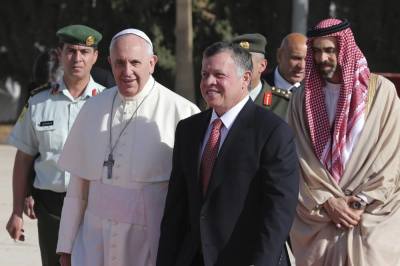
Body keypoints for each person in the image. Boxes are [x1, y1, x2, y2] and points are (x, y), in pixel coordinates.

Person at [55, 28, 200, 266]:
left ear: (152, 63)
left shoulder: (182, 112)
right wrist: (66, 247)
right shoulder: (92, 109)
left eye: (135, 62)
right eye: (119, 63)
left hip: (150, 243)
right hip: (94, 243)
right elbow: (77, 190)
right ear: (110, 62)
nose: (127, 71)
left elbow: (190, 197)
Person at [157, 41, 299, 266]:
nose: (209, 82)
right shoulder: (188, 129)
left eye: (219, 75)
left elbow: (278, 212)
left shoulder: (272, 132)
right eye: (205, 74)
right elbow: (176, 209)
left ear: (245, 79)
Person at [288, 18, 400, 266]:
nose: (322, 58)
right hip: (321, 215)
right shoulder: (301, 99)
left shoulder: (382, 93)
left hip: (373, 215)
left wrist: (359, 203)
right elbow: (299, 158)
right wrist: (328, 202)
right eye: (316, 51)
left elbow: (391, 156)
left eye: (330, 50)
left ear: (345, 49)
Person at [5, 24, 105, 266]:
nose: (77, 58)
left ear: (95, 57)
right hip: (51, 208)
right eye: (70, 51)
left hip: (96, 205)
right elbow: (24, 158)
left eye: (84, 51)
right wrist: (17, 210)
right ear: (60, 54)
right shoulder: (39, 103)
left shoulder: (108, 102)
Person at [231, 33, 292, 120]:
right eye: (235, 62)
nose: (239, 67)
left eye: (246, 62)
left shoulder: (285, 104)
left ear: (262, 65)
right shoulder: (221, 99)